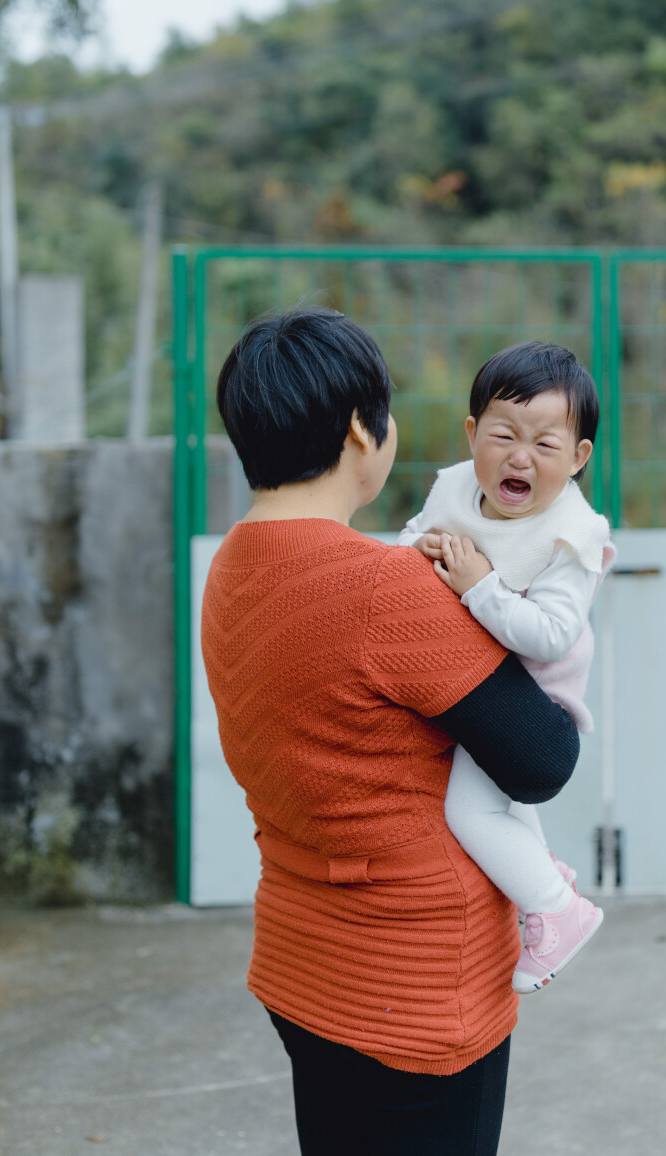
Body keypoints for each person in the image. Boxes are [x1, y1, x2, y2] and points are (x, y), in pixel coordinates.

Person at [200, 308, 580, 1156]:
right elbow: (543, 760)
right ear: (359, 434)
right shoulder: (388, 589)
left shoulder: (230, 569)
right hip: (416, 986)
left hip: (301, 965)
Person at [398, 341, 613, 994]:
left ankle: (555, 905)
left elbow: (551, 636)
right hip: (473, 686)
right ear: (472, 435)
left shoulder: (571, 536)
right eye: (502, 435)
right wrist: (418, 551)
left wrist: (479, 586)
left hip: (535, 704)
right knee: (500, 809)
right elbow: (413, 536)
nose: (520, 457)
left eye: (546, 446)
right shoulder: (455, 487)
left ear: (578, 459)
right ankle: (547, 875)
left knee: (471, 813)